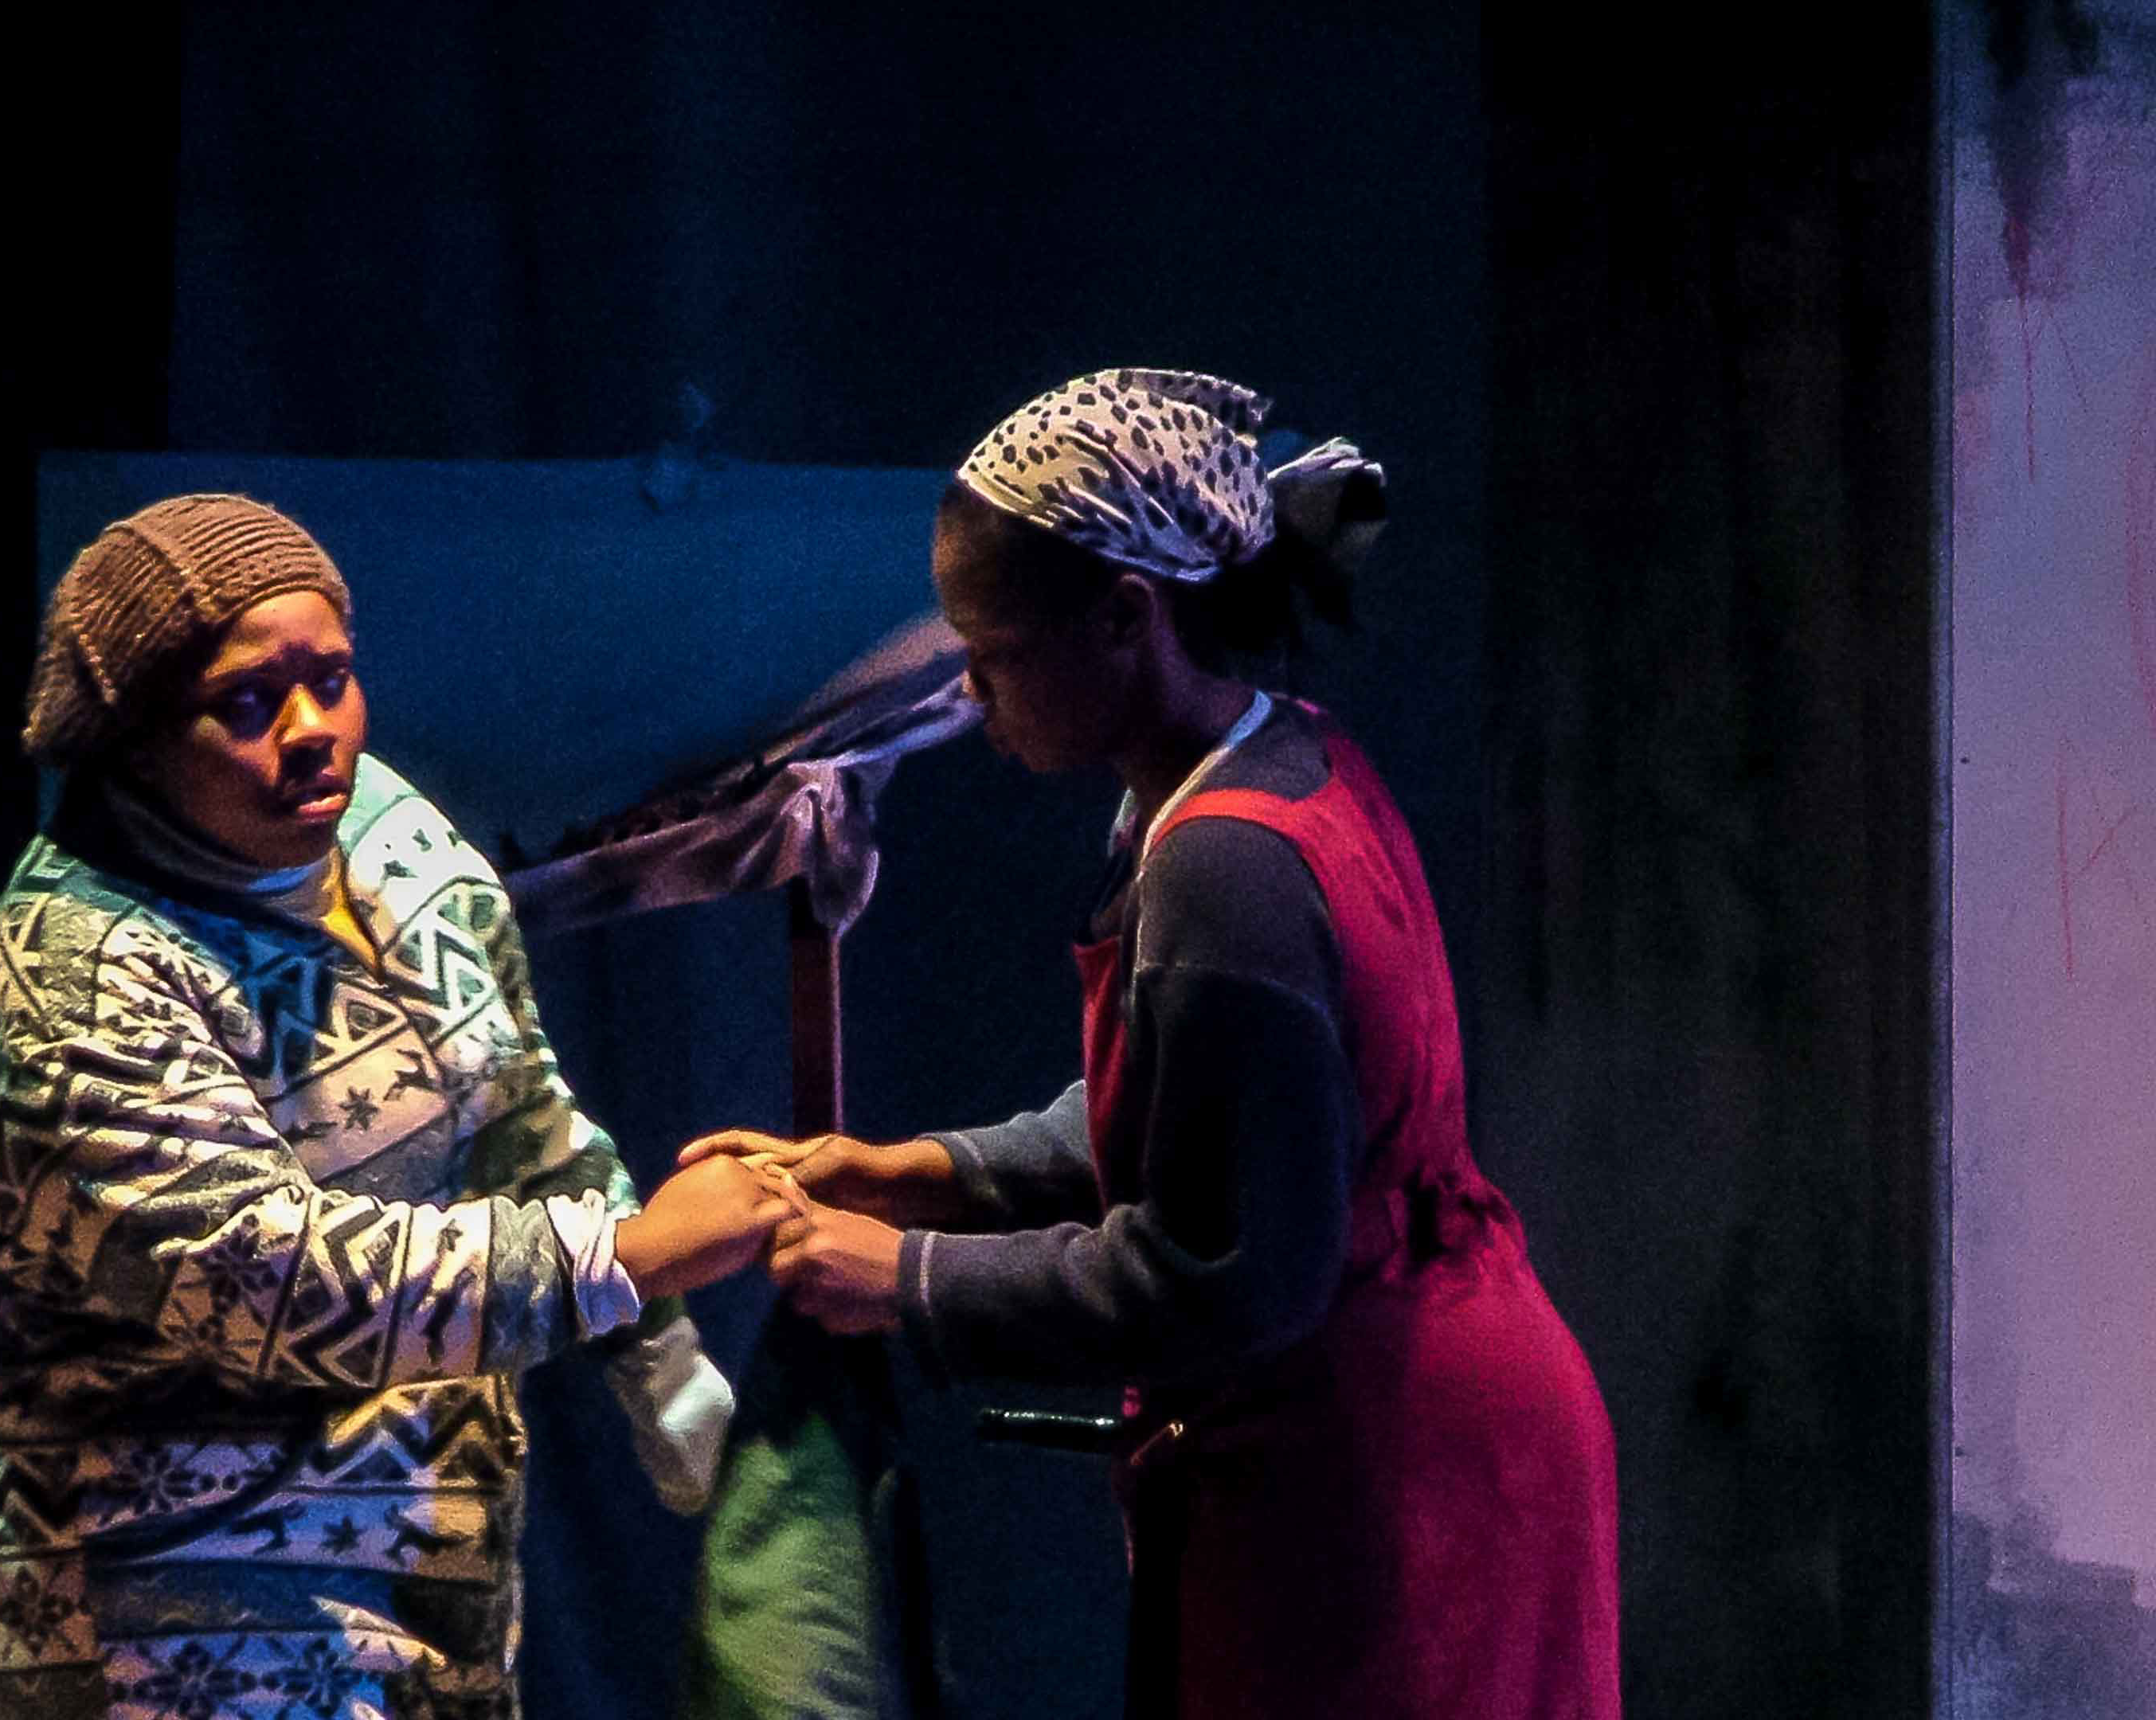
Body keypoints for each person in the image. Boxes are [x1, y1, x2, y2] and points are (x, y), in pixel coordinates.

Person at [685, 370, 1622, 1718]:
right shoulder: (1271, 759)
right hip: (1397, 1419)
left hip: (1389, 1475)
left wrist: (915, 1278)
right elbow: (1192, 1112)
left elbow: (1235, 1272)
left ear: (1127, 620)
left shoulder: (1227, 863)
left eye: (995, 652)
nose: (971, 690)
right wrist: (925, 1171)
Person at [0, 494, 796, 1720]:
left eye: (333, 679)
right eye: (245, 701)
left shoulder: (390, 836)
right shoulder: (69, 972)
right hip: (175, 1610)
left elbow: (517, 1105)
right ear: (134, 738)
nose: (312, 732)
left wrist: (660, 1364)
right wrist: (627, 1254)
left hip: (418, 1590)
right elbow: (262, 1277)